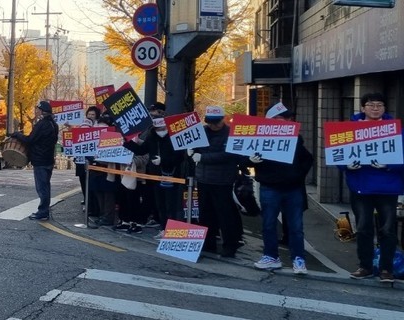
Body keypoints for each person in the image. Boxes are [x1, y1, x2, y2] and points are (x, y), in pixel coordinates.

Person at [343, 93, 403, 282]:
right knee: (363, 229)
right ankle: (365, 266)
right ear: (362, 108)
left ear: (385, 108)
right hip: (361, 187)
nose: (375, 108)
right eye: (370, 105)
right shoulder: (350, 129)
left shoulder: (395, 130)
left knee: (387, 230)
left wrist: (388, 165)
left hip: (388, 189)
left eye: (379, 105)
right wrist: (346, 165)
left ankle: (386, 269)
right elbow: (337, 154)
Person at [247, 105, 313, 274]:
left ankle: (299, 259)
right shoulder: (258, 139)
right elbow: (243, 159)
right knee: (268, 224)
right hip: (269, 187)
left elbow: (308, 160)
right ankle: (271, 256)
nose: (285, 121)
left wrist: (297, 176)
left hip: (293, 189)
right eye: (280, 118)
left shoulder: (296, 139)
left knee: (296, 226)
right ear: (270, 121)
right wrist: (252, 161)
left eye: (287, 118)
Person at [187, 106, 246, 258]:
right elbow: (195, 147)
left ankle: (229, 246)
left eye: (216, 122)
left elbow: (229, 155)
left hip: (223, 181)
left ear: (222, 119)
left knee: (225, 215)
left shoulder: (230, 133)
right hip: (203, 179)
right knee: (206, 214)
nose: (213, 126)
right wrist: (191, 150)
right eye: (210, 123)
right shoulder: (201, 132)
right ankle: (208, 244)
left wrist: (203, 157)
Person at [125, 116, 185, 239]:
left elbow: (179, 157)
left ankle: (171, 230)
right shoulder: (152, 137)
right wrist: (127, 142)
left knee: (171, 204)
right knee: (160, 204)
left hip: (172, 175)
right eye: (158, 128)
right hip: (156, 175)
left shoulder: (174, 137)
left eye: (162, 128)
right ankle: (164, 228)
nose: (160, 130)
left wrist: (163, 160)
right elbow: (141, 150)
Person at [10, 100, 59, 221]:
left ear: (42, 111)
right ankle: (45, 210)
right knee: (46, 186)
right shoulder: (54, 124)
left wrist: (17, 135)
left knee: (42, 187)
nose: (36, 111)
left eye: (37, 109)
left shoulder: (42, 125)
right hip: (48, 159)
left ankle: (43, 211)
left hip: (40, 160)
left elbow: (30, 140)